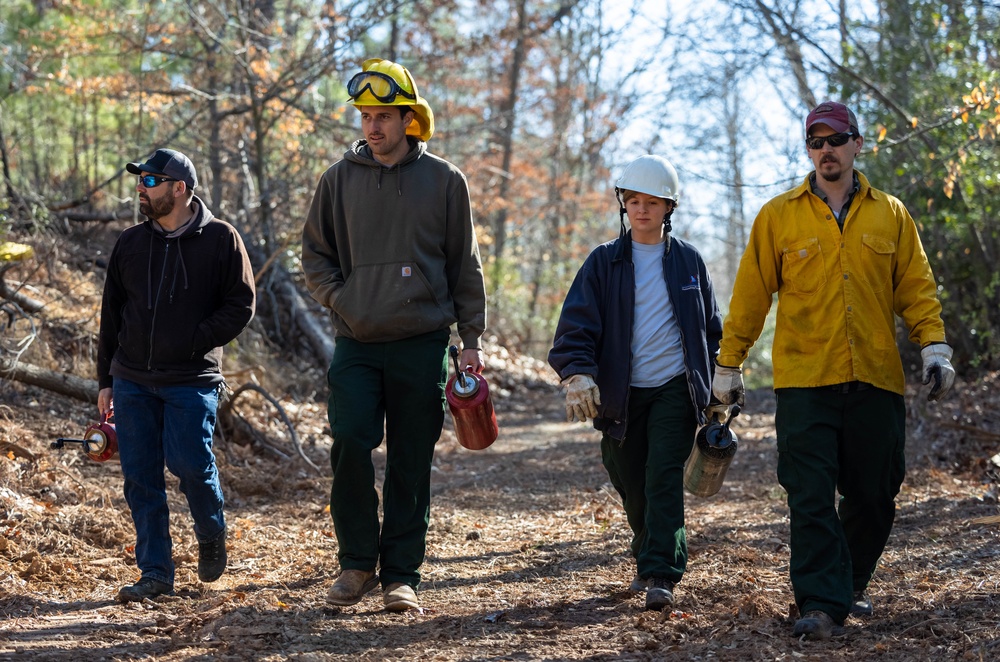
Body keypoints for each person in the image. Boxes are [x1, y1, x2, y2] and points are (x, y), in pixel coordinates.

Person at [713, 101, 955, 639]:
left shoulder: (890, 213)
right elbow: (751, 296)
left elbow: (916, 288)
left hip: (875, 376)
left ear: (857, 145)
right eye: (815, 142)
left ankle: (849, 582)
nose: (826, 150)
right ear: (809, 151)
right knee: (811, 494)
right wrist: (729, 363)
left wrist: (934, 345)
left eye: (836, 139)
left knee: (874, 493)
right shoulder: (779, 216)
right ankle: (820, 602)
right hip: (805, 381)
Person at [301, 58, 487, 612]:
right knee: (351, 443)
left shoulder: (446, 181)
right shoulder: (338, 179)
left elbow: (465, 266)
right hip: (356, 341)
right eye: (365, 115)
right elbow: (315, 256)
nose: (373, 126)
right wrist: (344, 299)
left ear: (409, 119)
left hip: (422, 342)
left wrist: (470, 339)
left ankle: (401, 574)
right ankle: (356, 564)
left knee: (411, 457)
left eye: (384, 115)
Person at [548, 155, 723, 611]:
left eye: (652, 202)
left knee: (663, 475)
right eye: (633, 201)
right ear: (624, 205)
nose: (642, 209)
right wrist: (577, 372)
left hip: (675, 387)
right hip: (620, 392)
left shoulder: (689, 261)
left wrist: (721, 379)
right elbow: (576, 324)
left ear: (670, 206)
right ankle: (650, 554)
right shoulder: (604, 262)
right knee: (628, 477)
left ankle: (661, 571)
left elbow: (710, 328)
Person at [98, 148, 256, 602]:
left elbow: (240, 306)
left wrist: (194, 338)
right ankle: (155, 573)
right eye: (140, 181)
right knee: (140, 478)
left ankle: (211, 531)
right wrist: (105, 380)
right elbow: (111, 315)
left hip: (192, 379)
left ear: (179, 188)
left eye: (150, 181)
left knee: (189, 464)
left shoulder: (222, 239)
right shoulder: (130, 242)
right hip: (131, 378)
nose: (140, 189)